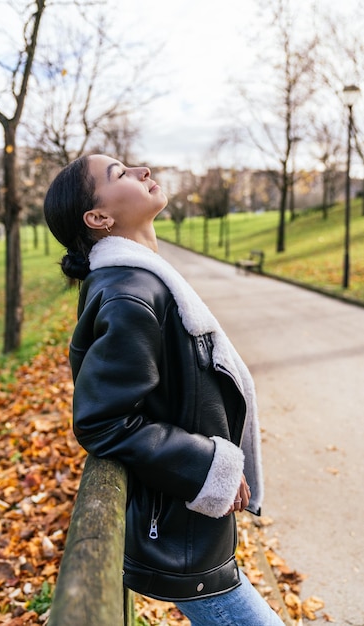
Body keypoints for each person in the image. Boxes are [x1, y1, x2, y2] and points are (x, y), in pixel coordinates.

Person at [43, 154, 285, 626]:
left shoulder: (139, 280)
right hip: (179, 527)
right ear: (98, 218)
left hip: (187, 520)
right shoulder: (129, 292)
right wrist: (208, 465)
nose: (141, 171)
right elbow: (103, 419)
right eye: (119, 174)